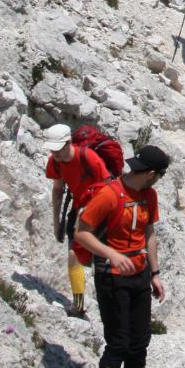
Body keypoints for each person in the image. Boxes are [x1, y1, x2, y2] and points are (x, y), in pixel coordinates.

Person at [73, 144, 170, 368]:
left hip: (139, 274)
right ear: (152, 173)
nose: (158, 180)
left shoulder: (149, 196)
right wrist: (111, 254)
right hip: (111, 276)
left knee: (140, 341)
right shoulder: (109, 195)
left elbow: (149, 234)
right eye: (159, 175)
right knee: (118, 343)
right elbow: (81, 231)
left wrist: (155, 273)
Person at [44, 123, 110, 319]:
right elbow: (57, 190)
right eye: (51, 149)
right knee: (74, 255)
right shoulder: (55, 162)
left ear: (68, 143)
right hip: (78, 209)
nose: (54, 153)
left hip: (99, 210)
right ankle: (79, 304)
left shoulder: (88, 157)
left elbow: (108, 188)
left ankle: (108, 306)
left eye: (57, 148)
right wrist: (57, 223)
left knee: (101, 263)